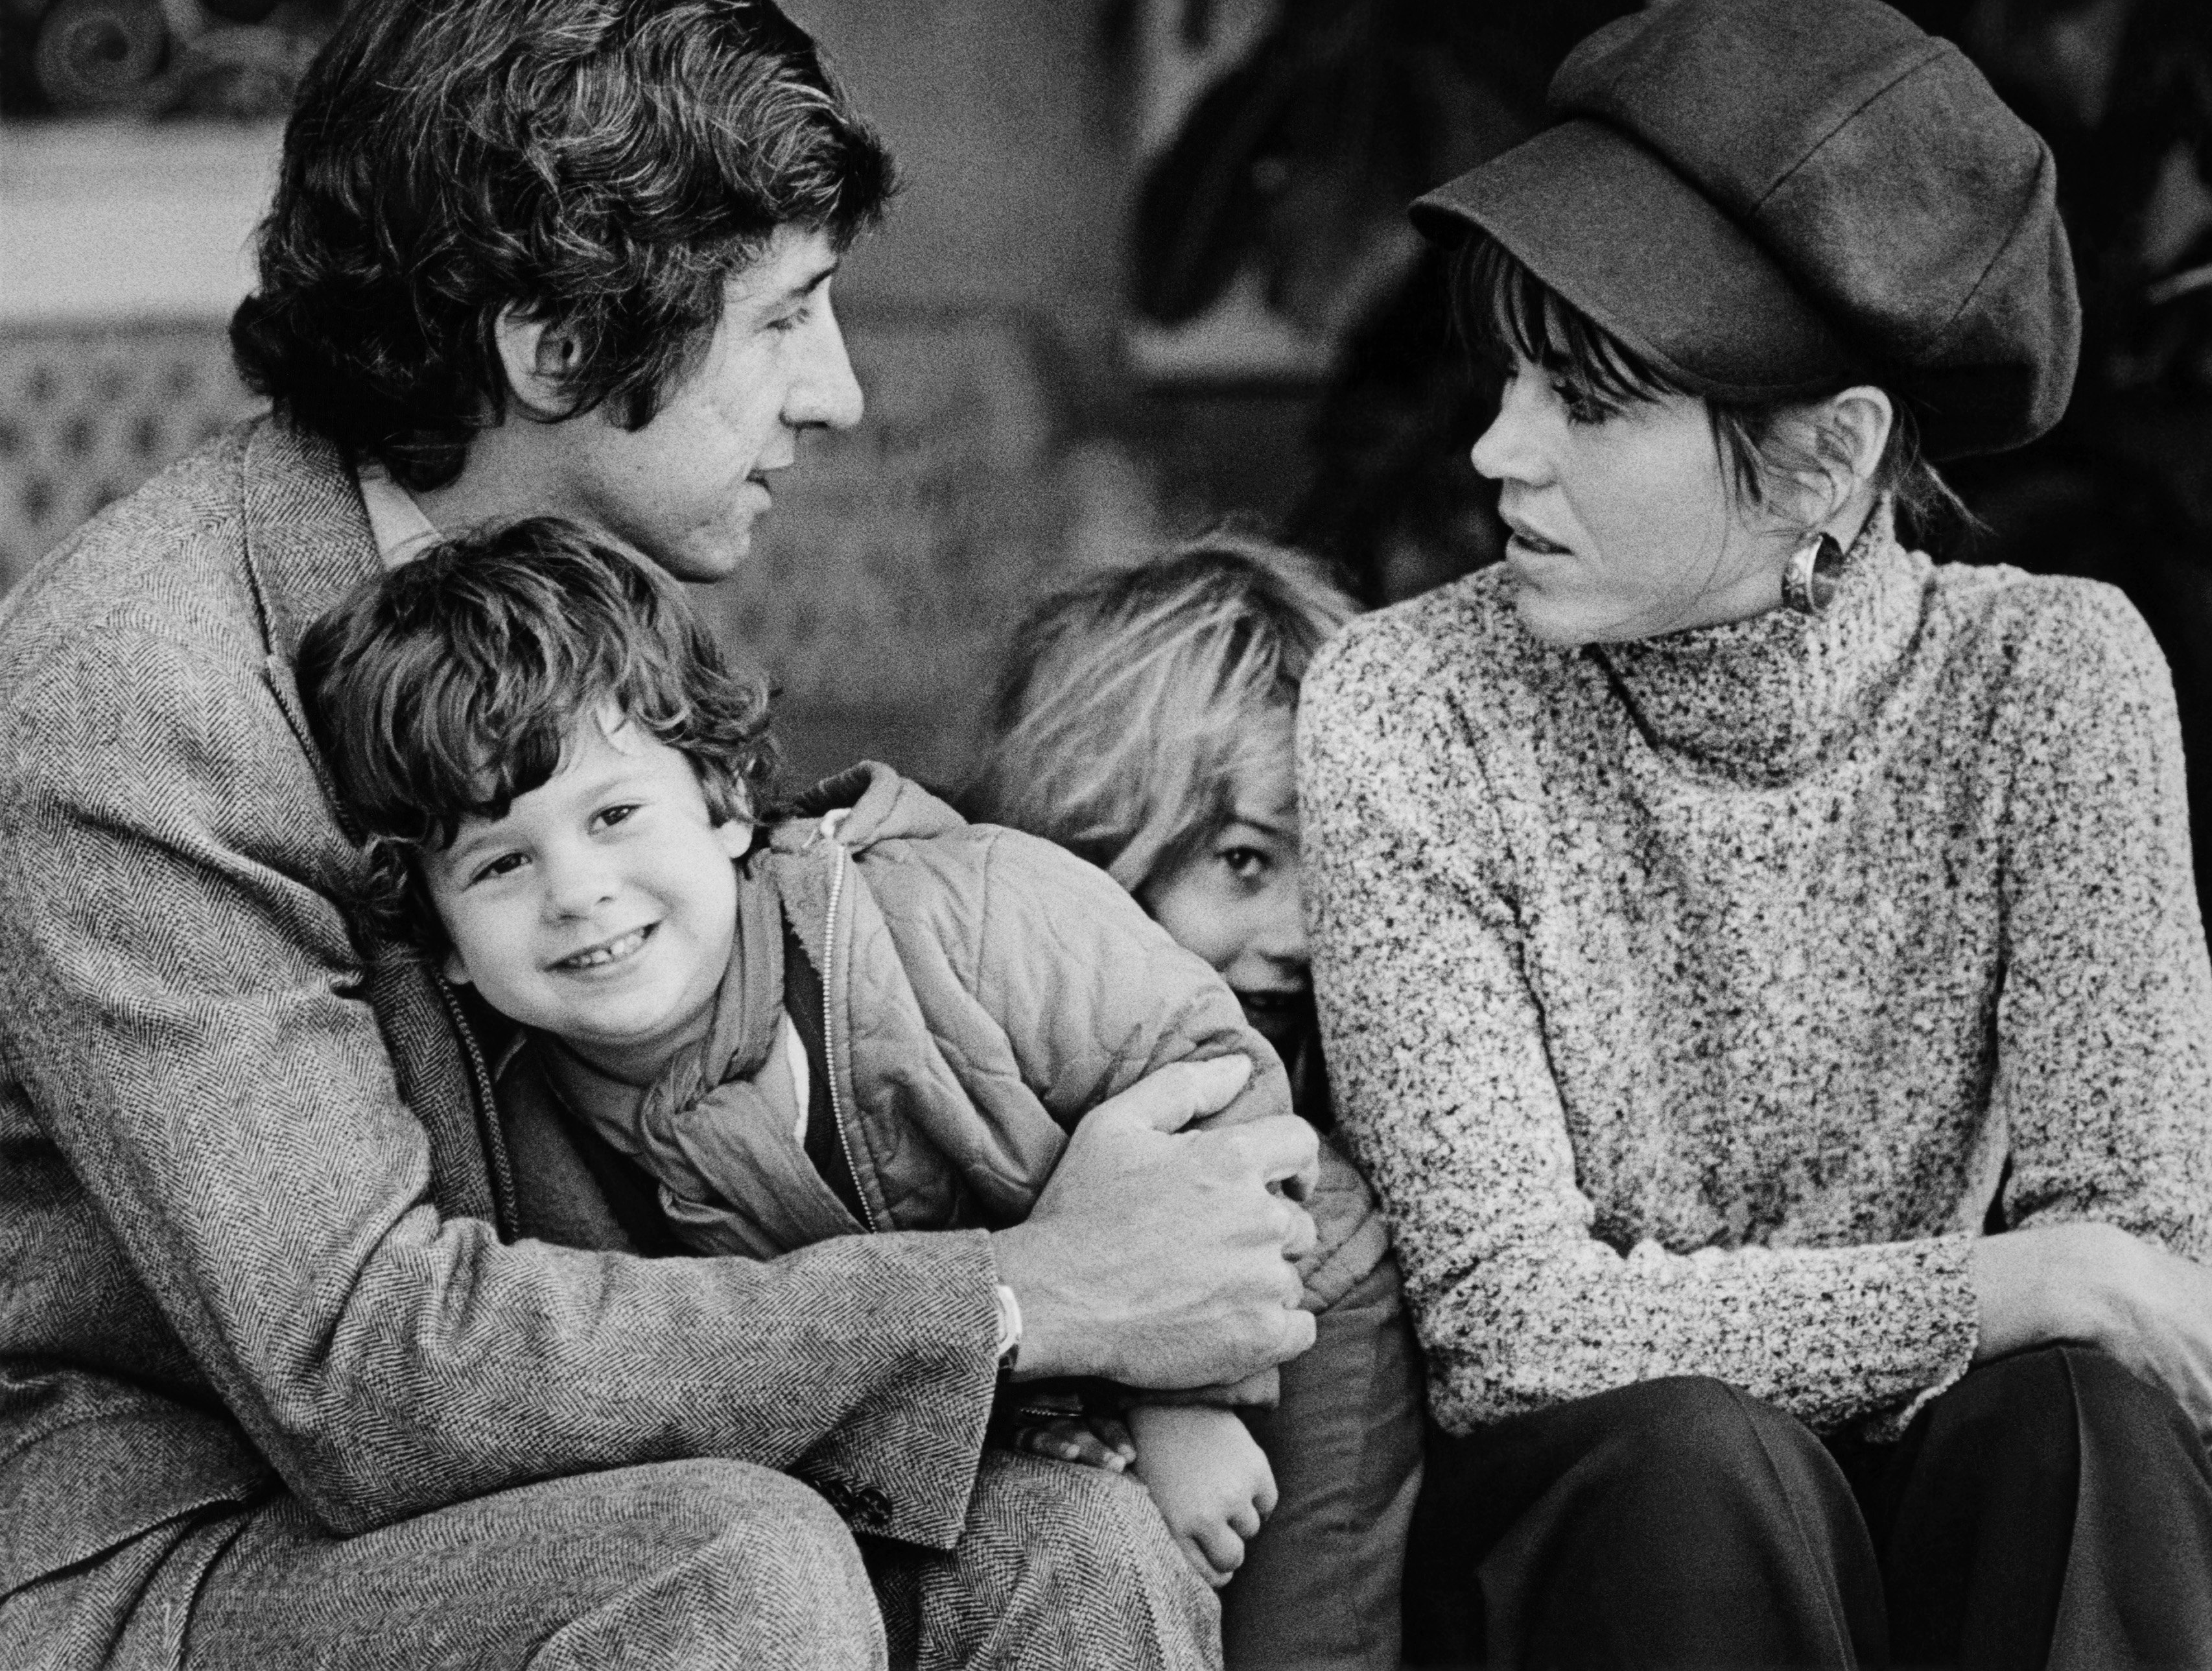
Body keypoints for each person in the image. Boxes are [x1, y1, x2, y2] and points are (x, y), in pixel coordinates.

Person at [0, 0, 1318, 1671]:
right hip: (182, 1546)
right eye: (783, 316)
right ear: (555, 344)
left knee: (1072, 1543)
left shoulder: (561, 607)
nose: (837, 390)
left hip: (540, 1466)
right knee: (737, 1565)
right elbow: (363, 1365)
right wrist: (1026, 1288)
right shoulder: (136, 707)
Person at [1297, 0, 2212, 1670]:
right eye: (1510, 379)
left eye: (1591, 402)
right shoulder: (1410, 706)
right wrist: (2000, 1284)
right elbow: (1517, 1329)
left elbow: (2147, 1301)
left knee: (2077, 1424)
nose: (1495, 450)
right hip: (1613, 1541)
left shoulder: (2050, 679)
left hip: (1964, 1533)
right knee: (1698, 1454)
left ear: (1832, 458)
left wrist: (2051, 1302)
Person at [294, 513, 1392, 1606]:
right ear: (440, 939)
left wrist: (1185, 1399)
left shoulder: (967, 915)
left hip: (1295, 1303)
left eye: (616, 813)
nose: (577, 891)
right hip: (1014, 1418)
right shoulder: (520, 1126)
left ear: (726, 803)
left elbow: (1216, 1072)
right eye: (501, 865)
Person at [966, 534, 1423, 1671]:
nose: (1304, 934)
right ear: (1090, 847)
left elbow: (1317, 1634)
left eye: (1338, 863)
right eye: (1245, 862)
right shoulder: (920, 1119)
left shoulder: (1316, 1225)